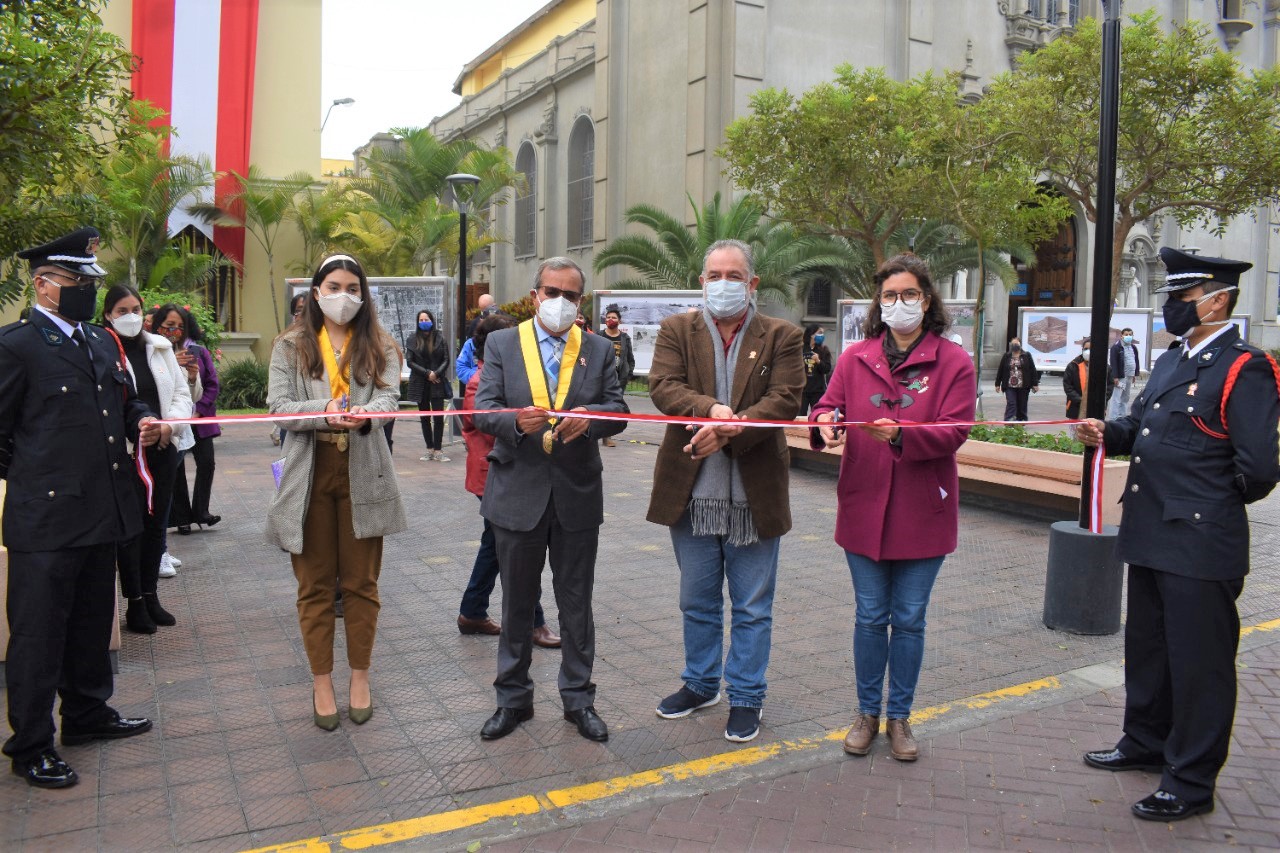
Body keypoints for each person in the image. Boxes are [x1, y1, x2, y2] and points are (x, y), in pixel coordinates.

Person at [1077, 247, 1280, 822]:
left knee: (1199, 665)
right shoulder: (1171, 361)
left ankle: (1189, 780)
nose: (1172, 307)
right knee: (1149, 651)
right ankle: (1144, 742)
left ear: (1217, 300)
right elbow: (1140, 427)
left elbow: (1260, 467)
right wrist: (1105, 433)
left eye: (1182, 298)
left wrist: (1209, 504)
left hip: (1199, 540)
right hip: (1149, 530)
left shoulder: (1246, 366)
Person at [1, 227, 164, 788]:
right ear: (45, 285)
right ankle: (30, 743)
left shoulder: (97, 342)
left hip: (102, 510)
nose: (86, 291)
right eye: (77, 280)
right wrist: (36, 480)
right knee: (40, 634)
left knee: (93, 622)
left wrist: (140, 420)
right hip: (46, 520)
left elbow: (124, 399)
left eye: (89, 281)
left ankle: (87, 715)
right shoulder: (14, 347)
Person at [811, 253, 976, 761]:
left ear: (927, 301)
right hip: (863, 504)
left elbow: (956, 429)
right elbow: (825, 406)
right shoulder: (853, 356)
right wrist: (823, 423)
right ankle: (866, 713)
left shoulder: (954, 362)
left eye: (909, 294)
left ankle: (900, 718)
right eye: (889, 295)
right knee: (869, 616)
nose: (898, 304)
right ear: (877, 304)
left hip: (922, 511)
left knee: (908, 618)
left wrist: (904, 434)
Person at [647, 239, 805, 744]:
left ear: (752, 283)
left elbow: (785, 399)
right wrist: (711, 412)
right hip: (690, 487)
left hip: (754, 492)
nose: (723, 284)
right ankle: (700, 683)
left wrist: (733, 429)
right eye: (714, 275)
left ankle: (746, 696)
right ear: (701, 282)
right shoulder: (678, 330)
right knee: (697, 599)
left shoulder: (782, 335)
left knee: (753, 605)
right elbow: (663, 387)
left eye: (733, 276)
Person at [473, 257, 628, 742]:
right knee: (518, 603)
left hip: (577, 495)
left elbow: (619, 409)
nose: (561, 302)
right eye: (552, 291)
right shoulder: (502, 343)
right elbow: (484, 409)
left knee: (576, 604)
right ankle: (512, 700)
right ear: (535, 294)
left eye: (572, 295)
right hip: (517, 491)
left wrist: (594, 418)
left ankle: (579, 700)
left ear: (581, 302)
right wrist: (515, 423)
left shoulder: (598, 349)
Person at [265, 254, 407, 731]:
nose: (342, 295)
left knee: (362, 583)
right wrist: (325, 408)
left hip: (365, 466)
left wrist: (371, 413)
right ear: (316, 291)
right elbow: (280, 410)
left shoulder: (381, 343)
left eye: (351, 286)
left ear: (362, 293)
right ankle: (322, 680)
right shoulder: (290, 346)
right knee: (315, 585)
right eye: (333, 285)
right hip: (310, 469)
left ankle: (360, 677)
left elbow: (390, 399)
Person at [458, 314, 560, 648]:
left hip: (509, 474)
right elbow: (484, 423)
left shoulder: (507, 373)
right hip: (495, 476)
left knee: (495, 547)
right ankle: (534, 622)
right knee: (512, 548)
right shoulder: (481, 379)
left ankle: (472, 610)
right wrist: (520, 421)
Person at [102, 287, 194, 633]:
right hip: (124, 453)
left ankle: (151, 594)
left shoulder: (160, 346)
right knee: (131, 527)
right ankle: (134, 602)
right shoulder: (103, 350)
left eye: (136, 308)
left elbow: (182, 392)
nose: (131, 315)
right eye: (122, 310)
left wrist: (169, 427)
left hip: (162, 447)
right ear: (108, 315)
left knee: (157, 523)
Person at [161, 305, 222, 544]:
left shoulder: (199, 351)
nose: (175, 330)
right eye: (170, 325)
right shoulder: (159, 352)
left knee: (206, 463)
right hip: (174, 420)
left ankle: (201, 511)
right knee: (176, 470)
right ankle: (181, 517)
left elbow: (212, 385)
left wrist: (198, 411)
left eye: (180, 326)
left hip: (199, 420)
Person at [406, 309, 451, 462]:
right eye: (421, 320)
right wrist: (427, 373)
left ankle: (438, 450)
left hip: (437, 382)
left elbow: (446, 359)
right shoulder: (412, 339)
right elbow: (410, 362)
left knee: (438, 417)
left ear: (432, 320)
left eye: (426, 320)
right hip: (420, 382)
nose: (424, 323)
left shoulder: (440, 338)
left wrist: (436, 374)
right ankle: (429, 449)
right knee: (425, 417)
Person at [599, 304, 634, 448]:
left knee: (613, 406)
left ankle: (607, 436)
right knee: (599, 405)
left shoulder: (624, 338)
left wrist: (628, 373)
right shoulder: (599, 336)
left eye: (613, 317)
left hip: (619, 379)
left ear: (619, 321)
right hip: (600, 378)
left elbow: (630, 358)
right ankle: (595, 433)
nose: (610, 319)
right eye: (608, 317)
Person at [1062, 336, 1113, 420]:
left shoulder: (1105, 368)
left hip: (1097, 408)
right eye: (1086, 349)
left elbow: (1109, 387)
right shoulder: (1073, 366)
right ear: (1082, 349)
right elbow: (1068, 387)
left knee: (1093, 432)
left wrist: (1099, 400)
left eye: (1091, 349)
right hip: (1076, 408)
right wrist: (1081, 400)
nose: (1088, 352)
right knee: (1076, 433)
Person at [993, 337, 1040, 422]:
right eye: (1013, 344)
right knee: (1011, 403)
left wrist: (1035, 384)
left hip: (1023, 385)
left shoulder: (1026, 355)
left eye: (1016, 344)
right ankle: (1008, 421)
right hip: (1009, 385)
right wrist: (997, 384)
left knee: (1022, 404)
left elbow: (1032, 370)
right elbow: (1001, 370)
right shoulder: (1006, 356)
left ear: (1020, 344)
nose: (1015, 346)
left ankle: (1021, 421)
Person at [1108, 327, 1142, 419]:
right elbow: (1113, 362)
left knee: (1125, 397)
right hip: (1120, 376)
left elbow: (1135, 360)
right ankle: (1113, 418)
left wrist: (1135, 373)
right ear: (1122, 336)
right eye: (1126, 334)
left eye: (1130, 334)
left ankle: (1122, 416)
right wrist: (1115, 377)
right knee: (1116, 397)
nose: (1128, 336)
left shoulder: (1133, 347)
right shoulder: (1116, 347)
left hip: (1129, 376)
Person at [801, 323, 832, 414]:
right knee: (800, 415)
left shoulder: (823, 350)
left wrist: (818, 361)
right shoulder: (800, 349)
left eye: (822, 333)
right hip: (802, 390)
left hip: (818, 390)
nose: (822, 335)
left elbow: (827, 369)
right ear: (812, 334)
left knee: (817, 414)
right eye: (819, 333)